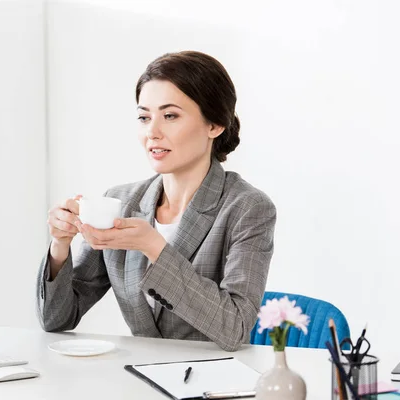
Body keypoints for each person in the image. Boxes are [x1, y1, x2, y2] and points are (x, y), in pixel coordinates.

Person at [36, 51, 276, 351]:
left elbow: (235, 328)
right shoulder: (121, 202)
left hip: (214, 382)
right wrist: (60, 245)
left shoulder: (247, 208)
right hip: (141, 379)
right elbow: (56, 320)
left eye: (170, 115)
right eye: (144, 117)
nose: (152, 132)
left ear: (214, 124)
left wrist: (154, 247)